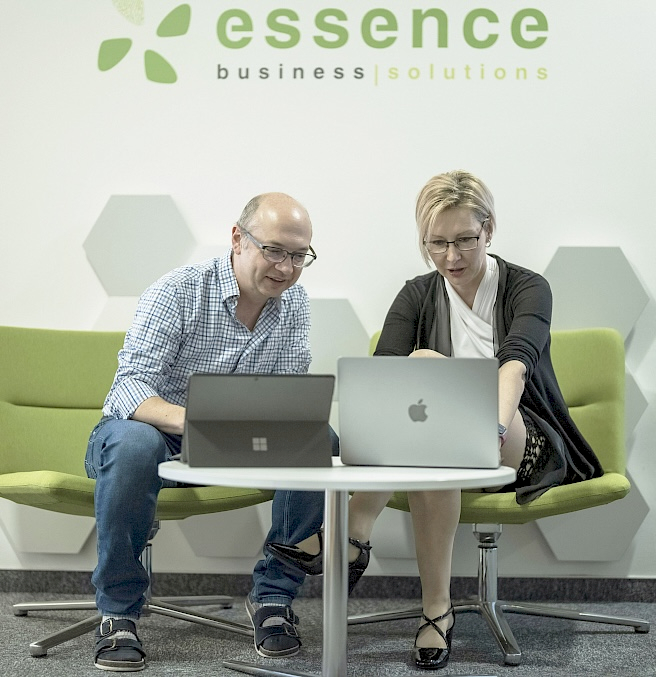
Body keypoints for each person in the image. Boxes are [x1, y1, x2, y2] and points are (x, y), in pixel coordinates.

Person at [266, 170, 604, 670]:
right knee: (428, 425)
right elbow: (381, 381)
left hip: (518, 436)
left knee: (425, 369)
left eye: (465, 240)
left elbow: (515, 367)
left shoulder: (528, 287)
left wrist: (489, 430)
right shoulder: (417, 293)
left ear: (489, 230)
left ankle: (353, 532)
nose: (451, 256)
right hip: (440, 449)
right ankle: (435, 614)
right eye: (437, 243)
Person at [85, 192, 336, 672]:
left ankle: (273, 598)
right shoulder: (178, 290)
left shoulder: (295, 303)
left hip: (237, 442)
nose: (286, 268)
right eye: (274, 250)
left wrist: (280, 421)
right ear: (238, 239)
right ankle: (118, 612)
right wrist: (197, 420)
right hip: (152, 437)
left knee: (319, 439)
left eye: (298, 255)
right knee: (134, 443)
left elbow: (285, 395)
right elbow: (130, 388)